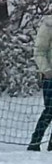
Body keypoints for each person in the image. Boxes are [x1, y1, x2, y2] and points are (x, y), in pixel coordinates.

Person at [30, 15, 52, 150]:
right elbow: (39, 51)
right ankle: (35, 142)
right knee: (50, 110)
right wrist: (47, 70)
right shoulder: (48, 26)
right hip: (50, 76)